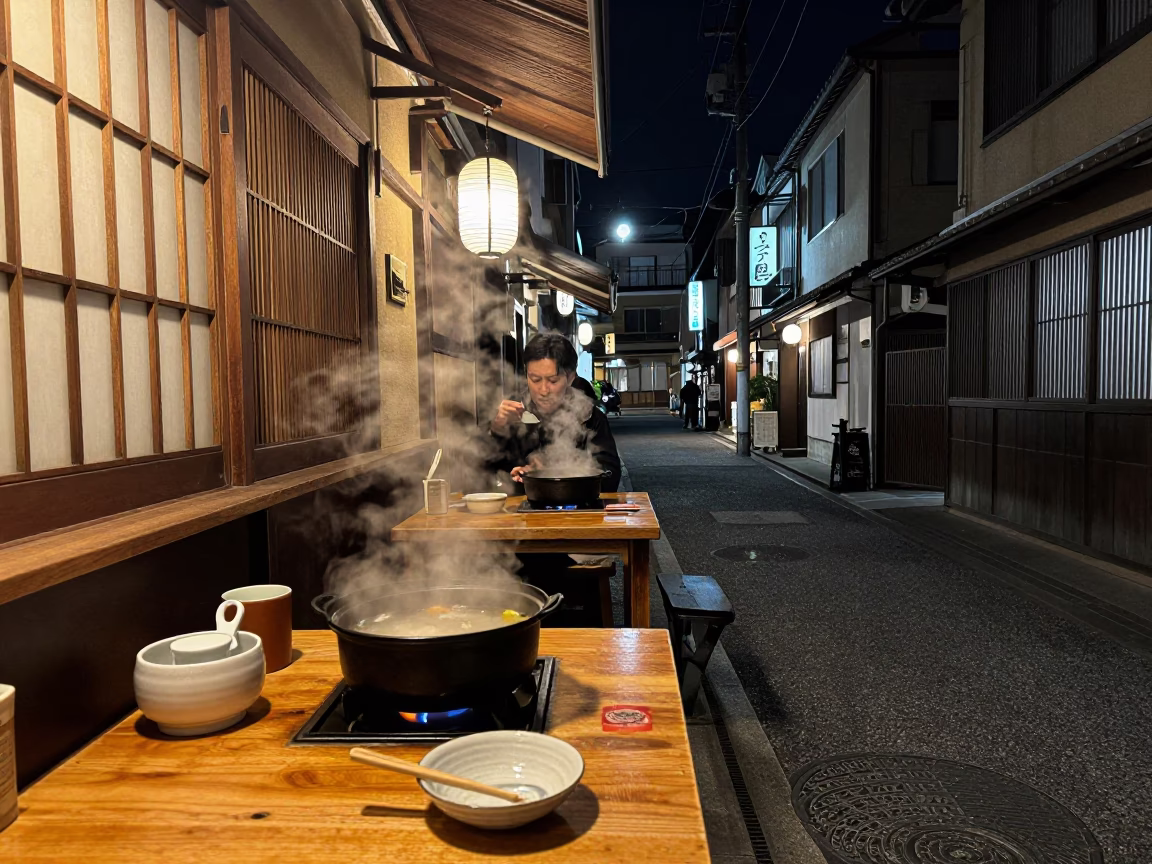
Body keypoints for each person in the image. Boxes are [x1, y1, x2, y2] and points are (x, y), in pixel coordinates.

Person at [488, 333, 621, 493]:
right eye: (535, 379)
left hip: (576, 512)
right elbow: (479, 477)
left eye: (553, 381)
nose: (543, 391)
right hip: (517, 512)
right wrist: (496, 431)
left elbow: (609, 478)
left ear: (571, 377)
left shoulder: (589, 416)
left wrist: (549, 471)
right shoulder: (512, 412)